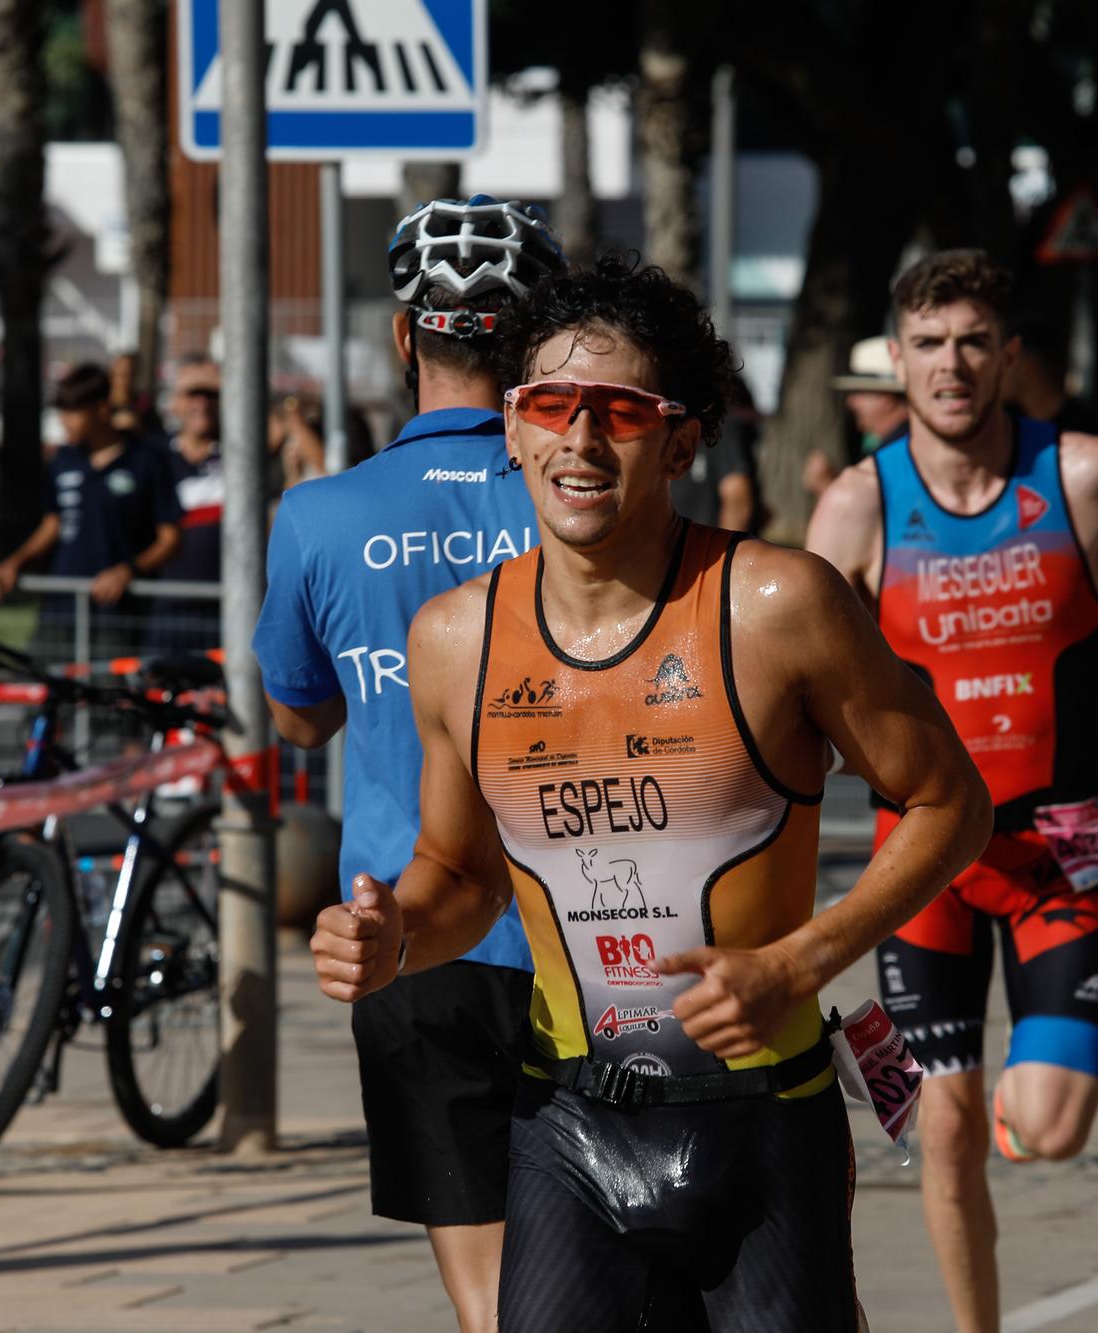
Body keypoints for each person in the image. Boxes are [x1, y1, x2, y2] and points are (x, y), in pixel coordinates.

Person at [309, 253, 994, 1331]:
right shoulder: (453, 639)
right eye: (547, 404)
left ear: (679, 440)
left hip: (761, 1126)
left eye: (618, 412)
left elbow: (952, 802)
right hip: (566, 1127)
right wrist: (391, 936)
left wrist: (799, 960)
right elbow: (460, 873)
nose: (578, 441)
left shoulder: (775, 604)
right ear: (511, 427)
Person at [805, 249, 1098, 1333]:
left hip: (1054, 855)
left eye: (974, 341)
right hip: (922, 862)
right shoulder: (855, 506)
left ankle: (979, 1102)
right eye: (929, 344)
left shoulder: (1082, 474)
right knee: (936, 1135)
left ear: (1009, 356)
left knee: (1048, 1125)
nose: (951, 365)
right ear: (895, 362)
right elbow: (788, 672)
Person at [254, 195, 563, 1333]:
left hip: (404, 926)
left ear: (403, 339)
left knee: (487, 1297)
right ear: (535, 346)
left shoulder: (320, 514)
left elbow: (296, 721)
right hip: (590, 925)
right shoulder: (575, 497)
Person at [0, 363, 182, 666]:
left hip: (116, 613)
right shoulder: (64, 459)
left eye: (73, 411)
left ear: (101, 409)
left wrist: (127, 570)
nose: (64, 422)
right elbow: (53, 523)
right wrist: (15, 562)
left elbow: (170, 538)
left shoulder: (147, 460)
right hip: (61, 604)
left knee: (109, 705)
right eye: (61, 412)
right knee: (42, 697)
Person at [146, 357, 224, 658]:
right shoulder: (153, 455)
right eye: (193, 393)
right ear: (175, 401)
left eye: (211, 393)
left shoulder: (242, 453)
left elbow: (278, 428)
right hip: (165, 606)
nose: (202, 403)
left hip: (227, 607)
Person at [806, 334, 911, 500]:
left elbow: (885, 518)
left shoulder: (901, 452)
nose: (851, 402)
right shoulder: (903, 444)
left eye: (861, 392)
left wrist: (828, 490)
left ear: (889, 397)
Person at [1003, 310, 1098, 439]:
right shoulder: (1007, 428)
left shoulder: (1089, 434)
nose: (996, 371)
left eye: (1008, 360)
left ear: (1027, 364)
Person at [671, 372, 759, 530]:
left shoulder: (723, 428)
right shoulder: (669, 426)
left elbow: (737, 499)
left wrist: (723, 553)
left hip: (704, 548)